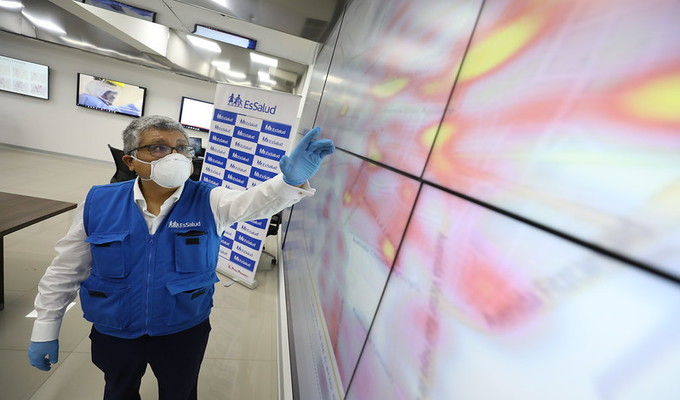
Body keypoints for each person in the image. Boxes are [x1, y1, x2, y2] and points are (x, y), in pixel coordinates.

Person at [27, 115, 334, 399]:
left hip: (183, 330)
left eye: (181, 148)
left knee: (181, 392)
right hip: (116, 329)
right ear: (130, 161)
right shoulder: (98, 203)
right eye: (158, 147)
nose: (173, 156)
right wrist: (46, 326)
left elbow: (252, 203)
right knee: (119, 390)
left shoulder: (210, 200)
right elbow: (66, 269)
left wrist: (289, 181)